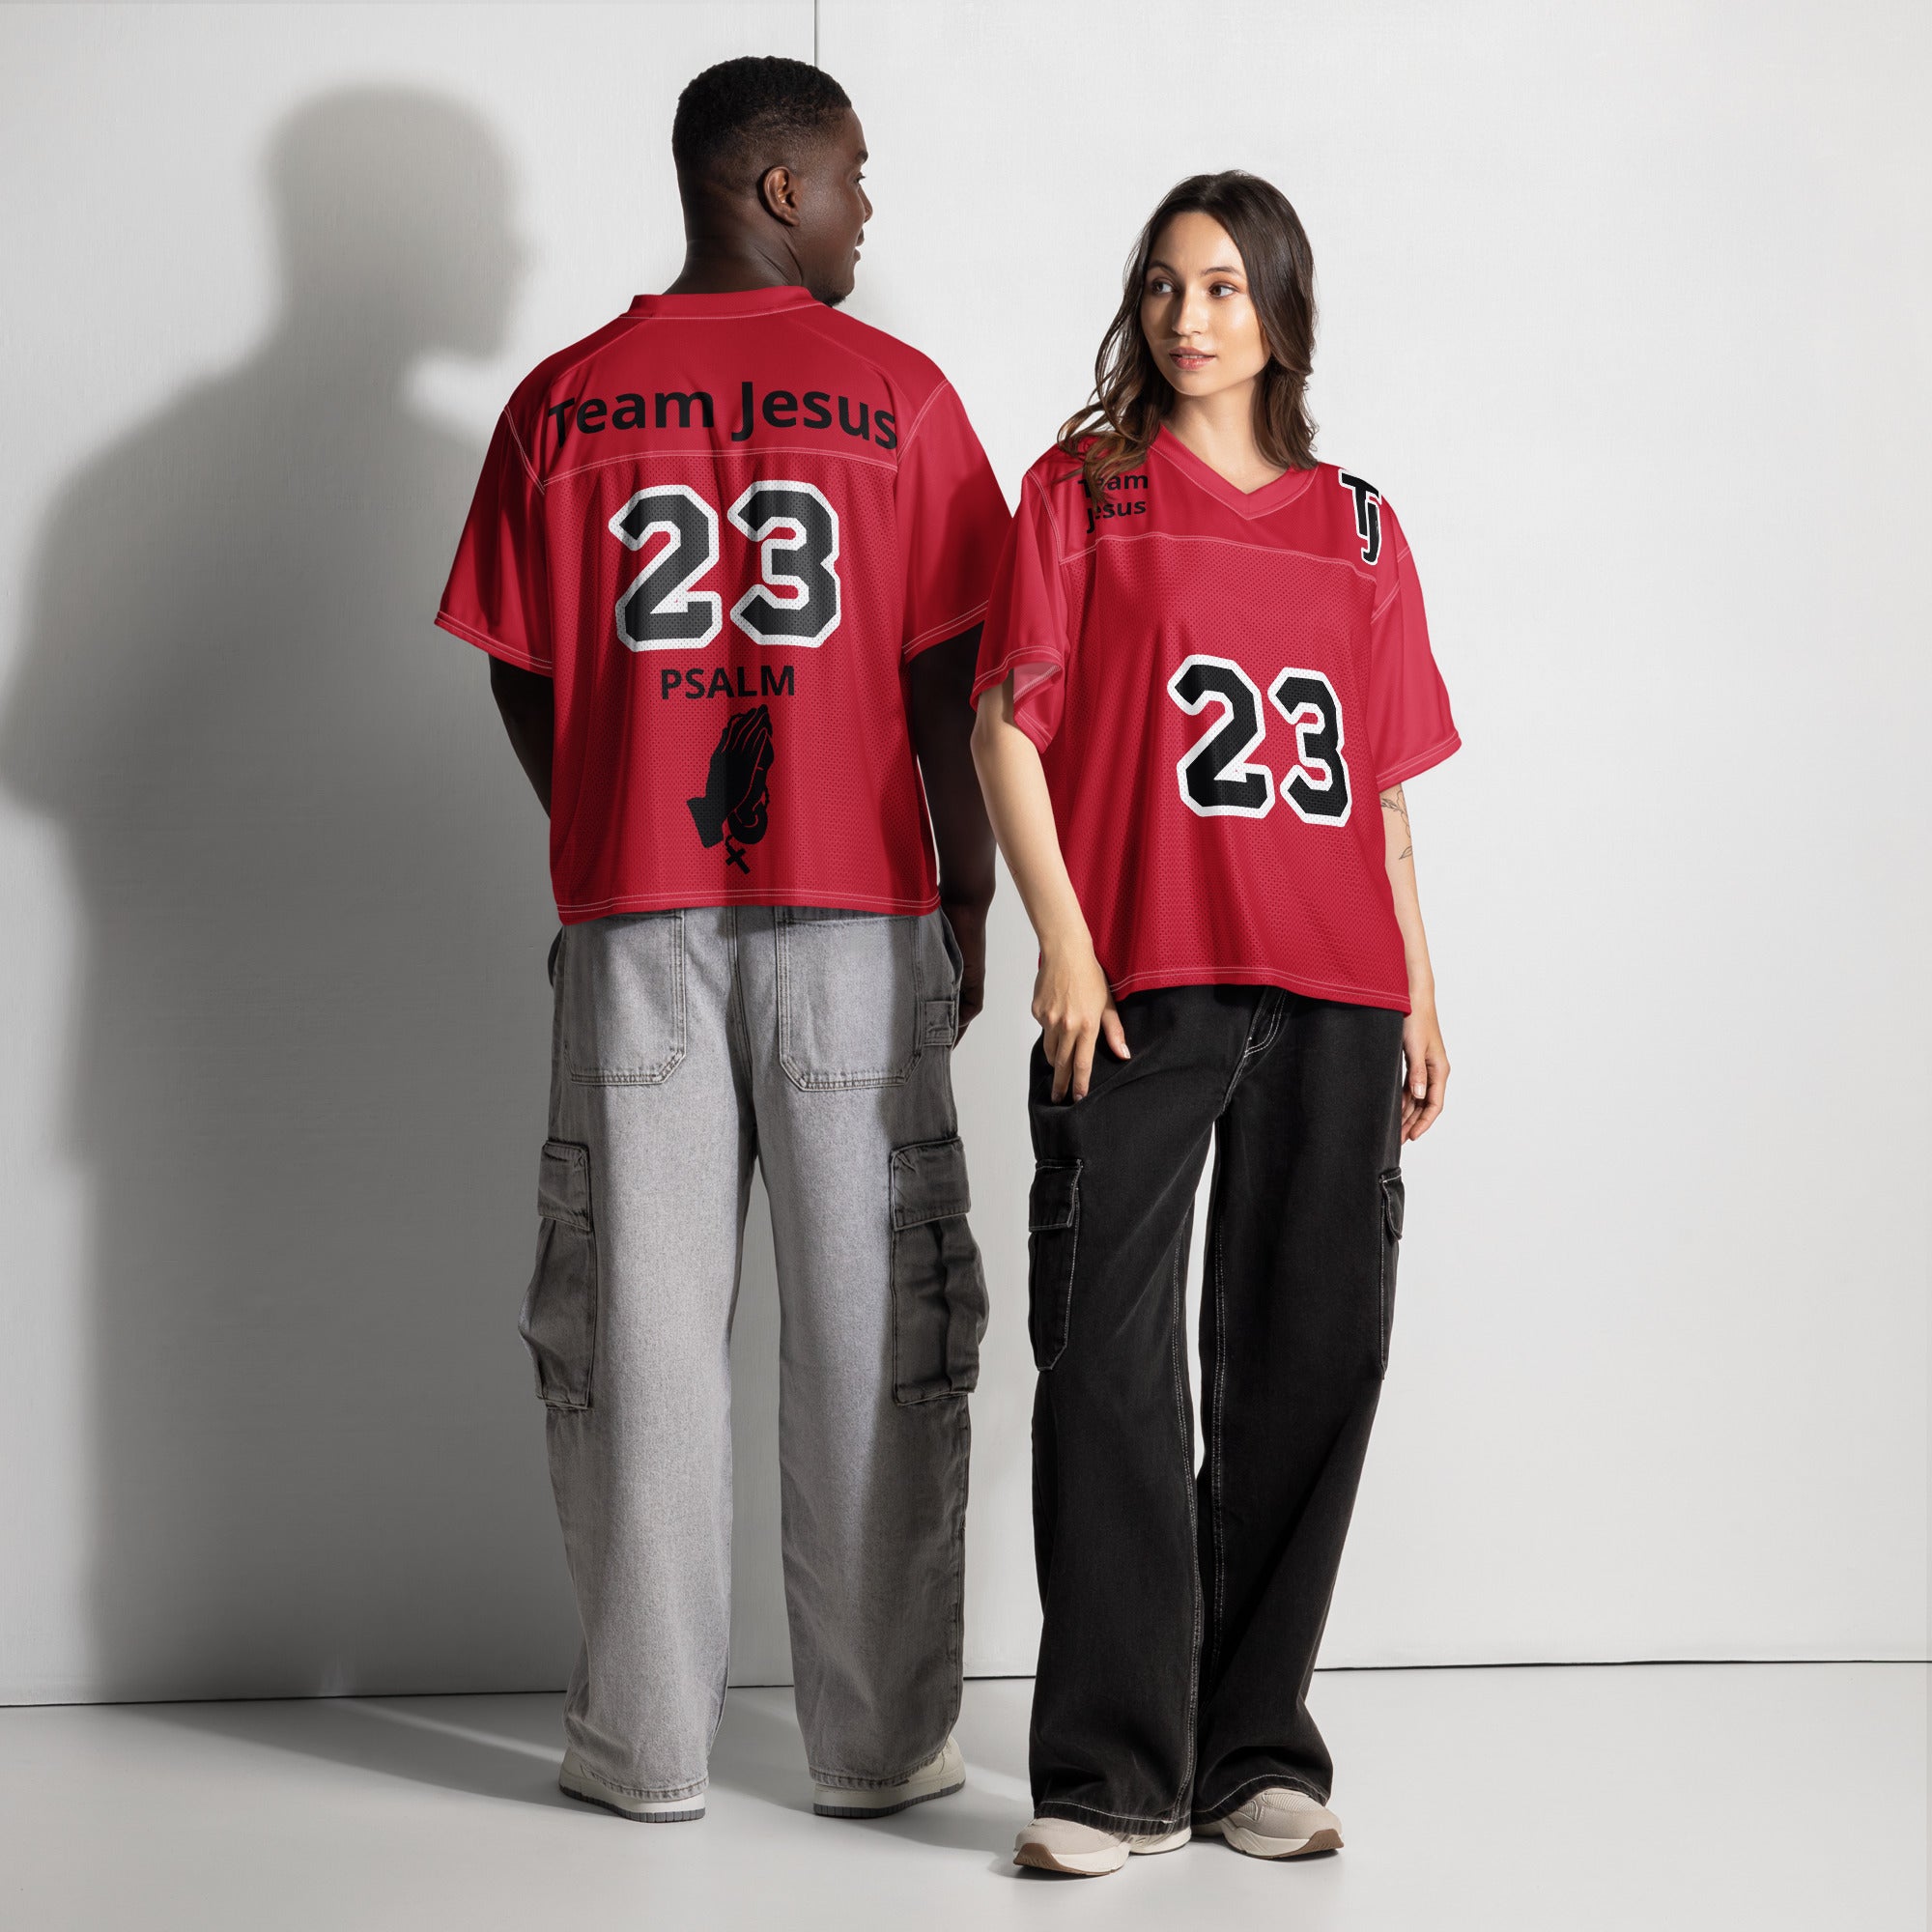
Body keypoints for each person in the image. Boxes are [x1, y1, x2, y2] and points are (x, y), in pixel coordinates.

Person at [437, 56, 1010, 1824]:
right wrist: (972, 885)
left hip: (638, 927)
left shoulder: (562, 401)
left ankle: (643, 1750)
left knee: (638, 1339)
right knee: (872, 1335)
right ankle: (879, 1746)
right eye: (852, 177)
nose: (865, 210)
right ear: (778, 189)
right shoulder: (902, 397)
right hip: (858, 917)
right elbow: (952, 682)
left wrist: (605, 801)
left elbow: (520, 668)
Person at [971, 170, 1460, 1877]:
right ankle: (1110, 1774)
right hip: (1143, 984)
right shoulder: (1082, 492)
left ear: (1282, 311)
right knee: (1109, 1366)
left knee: (1311, 1360)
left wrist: (1420, 987)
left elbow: (1381, 790)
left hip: (1336, 988)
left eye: (1228, 287)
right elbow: (1007, 726)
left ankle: (1251, 1752)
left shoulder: (1362, 527)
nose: (1191, 317)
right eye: (1167, 285)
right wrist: (1066, 940)